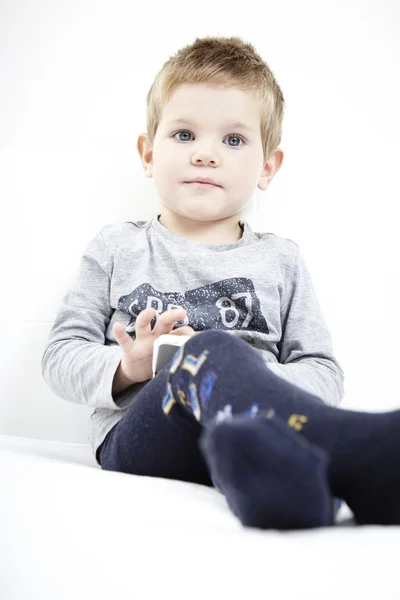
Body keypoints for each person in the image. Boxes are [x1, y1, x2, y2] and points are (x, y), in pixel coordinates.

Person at [41, 36, 399, 531]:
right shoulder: (116, 247)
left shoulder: (281, 259)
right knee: (205, 351)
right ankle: (359, 451)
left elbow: (323, 372)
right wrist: (126, 367)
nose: (206, 154)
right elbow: (59, 356)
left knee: (244, 425)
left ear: (267, 168)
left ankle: (290, 493)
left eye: (233, 140)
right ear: (148, 154)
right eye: (184, 135)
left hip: (253, 439)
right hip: (144, 436)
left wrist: (248, 374)